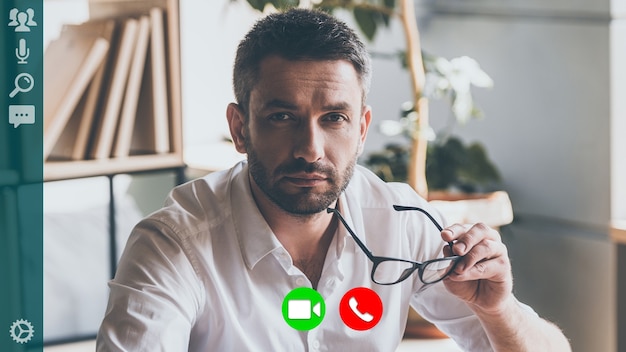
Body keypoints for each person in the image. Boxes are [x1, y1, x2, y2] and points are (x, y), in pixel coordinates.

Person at [97, 8, 571, 351]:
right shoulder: (173, 244)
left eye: (334, 119)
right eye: (282, 116)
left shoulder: (402, 219)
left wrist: (497, 310)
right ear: (241, 129)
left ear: (361, 129)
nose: (311, 149)